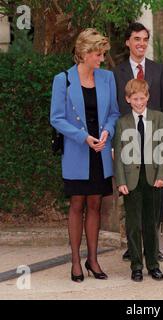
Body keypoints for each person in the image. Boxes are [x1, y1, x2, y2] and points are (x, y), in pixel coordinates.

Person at [50, 28, 120, 282]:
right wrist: (84, 137)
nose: (101, 59)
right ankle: (75, 262)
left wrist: (106, 133)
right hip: (77, 151)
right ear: (85, 53)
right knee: (77, 203)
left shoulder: (107, 78)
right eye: (98, 54)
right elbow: (56, 118)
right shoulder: (63, 80)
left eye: (102, 55)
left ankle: (93, 259)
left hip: (99, 152)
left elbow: (113, 113)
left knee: (95, 204)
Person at [113, 22, 163, 262]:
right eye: (137, 39)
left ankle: (153, 247)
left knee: (155, 200)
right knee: (132, 198)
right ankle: (133, 247)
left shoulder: (159, 70)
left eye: (145, 39)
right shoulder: (117, 73)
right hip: (129, 143)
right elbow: (115, 108)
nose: (142, 43)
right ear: (127, 42)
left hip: (154, 144)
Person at [114, 79, 163, 282]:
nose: (139, 102)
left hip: (153, 179)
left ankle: (153, 264)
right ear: (128, 99)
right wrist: (120, 181)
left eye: (142, 98)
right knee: (133, 224)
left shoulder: (159, 118)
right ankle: (136, 265)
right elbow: (119, 155)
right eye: (135, 99)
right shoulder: (122, 123)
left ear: (148, 97)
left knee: (151, 223)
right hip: (131, 181)